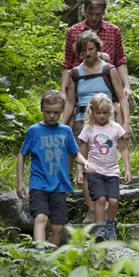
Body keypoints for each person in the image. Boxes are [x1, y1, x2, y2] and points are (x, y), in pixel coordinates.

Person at [63, 31, 130, 222]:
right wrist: (61, 126)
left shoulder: (109, 69)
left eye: (91, 49)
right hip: (82, 120)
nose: (88, 53)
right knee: (86, 162)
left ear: (98, 48)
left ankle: (107, 211)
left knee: (106, 156)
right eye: (83, 50)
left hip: (107, 120)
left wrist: (125, 123)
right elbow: (69, 102)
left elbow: (122, 97)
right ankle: (91, 209)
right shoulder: (75, 73)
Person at [17, 90, 96, 247]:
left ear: (61, 112)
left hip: (59, 184)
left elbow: (74, 153)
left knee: (58, 227)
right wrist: (20, 181)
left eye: (56, 113)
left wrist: (85, 162)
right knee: (41, 218)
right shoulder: (34, 130)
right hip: (38, 183)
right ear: (42, 109)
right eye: (48, 112)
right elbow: (21, 154)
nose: (52, 116)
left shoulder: (65, 131)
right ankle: (39, 255)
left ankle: (51, 256)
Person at [62, 0, 130, 116]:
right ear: (85, 10)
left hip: (107, 88)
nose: (94, 18)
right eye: (91, 13)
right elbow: (67, 64)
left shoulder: (113, 31)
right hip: (79, 88)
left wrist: (126, 85)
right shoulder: (73, 31)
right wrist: (63, 91)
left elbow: (120, 61)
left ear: (103, 12)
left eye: (98, 14)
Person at [77, 93, 131, 241]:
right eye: (98, 113)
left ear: (110, 112)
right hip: (94, 170)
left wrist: (127, 169)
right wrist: (80, 171)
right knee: (100, 199)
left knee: (113, 201)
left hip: (112, 171)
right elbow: (81, 151)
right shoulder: (88, 129)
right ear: (92, 112)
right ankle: (99, 229)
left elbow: (123, 149)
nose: (101, 116)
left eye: (105, 113)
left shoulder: (115, 128)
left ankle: (110, 225)